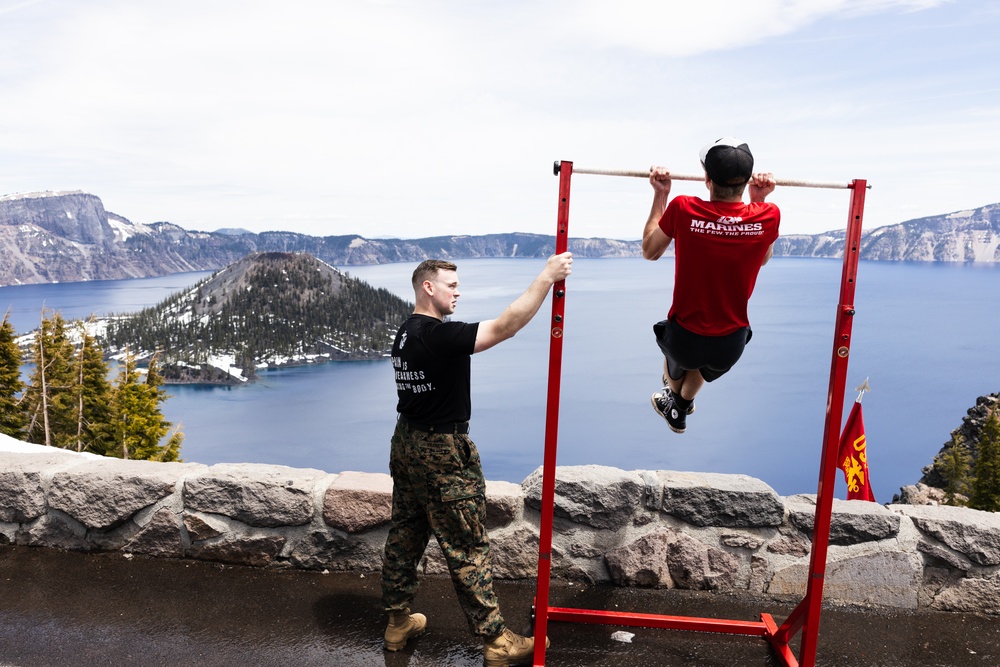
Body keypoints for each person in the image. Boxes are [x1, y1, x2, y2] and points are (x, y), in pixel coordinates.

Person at [381, 252, 573, 666]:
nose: (458, 291)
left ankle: (397, 621)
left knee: (406, 534)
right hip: (442, 452)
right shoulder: (436, 335)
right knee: (466, 545)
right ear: (428, 287)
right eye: (451, 285)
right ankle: (496, 641)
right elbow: (506, 325)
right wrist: (545, 277)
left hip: (407, 443)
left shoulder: (406, 332)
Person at [642, 137, 780, 434]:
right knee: (704, 366)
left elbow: (649, 251)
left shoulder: (683, 208)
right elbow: (764, 258)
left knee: (676, 370)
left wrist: (661, 194)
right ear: (746, 181)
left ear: (706, 179)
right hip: (730, 345)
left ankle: (674, 399)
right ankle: (678, 407)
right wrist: (759, 201)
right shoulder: (768, 215)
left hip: (683, 340)